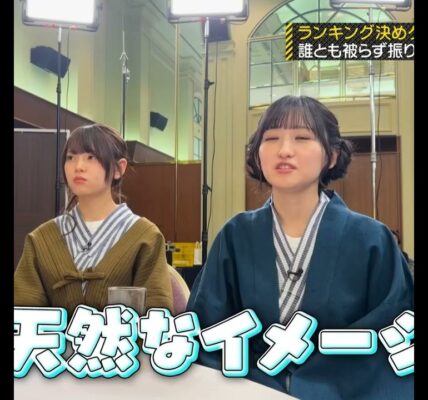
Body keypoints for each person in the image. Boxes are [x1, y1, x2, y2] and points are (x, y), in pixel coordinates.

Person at [187, 96, 413, 399]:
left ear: (331, 156)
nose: (284, 150)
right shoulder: (236, 235)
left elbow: (394, 335)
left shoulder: (372, 239)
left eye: (302, 138)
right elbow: (207, 330)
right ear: (257, 155)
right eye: (271, 139)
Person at [14, 124, 173, 315]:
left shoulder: (145, 236)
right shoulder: (41, 239)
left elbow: (157, 314)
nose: (78, 167)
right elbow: (23, 312)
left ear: (119, 168)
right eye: (71, 157)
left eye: (91, 157)